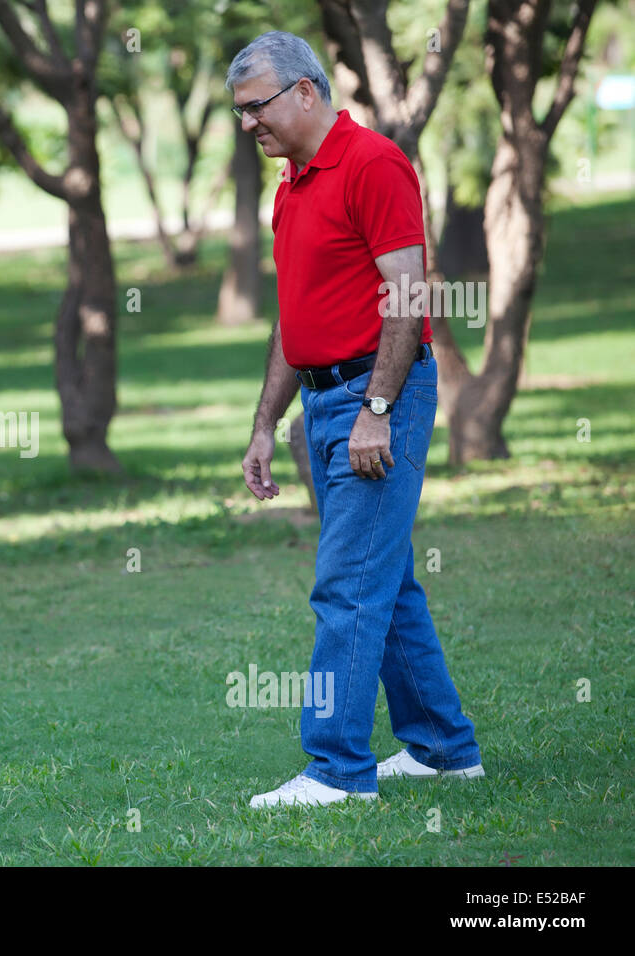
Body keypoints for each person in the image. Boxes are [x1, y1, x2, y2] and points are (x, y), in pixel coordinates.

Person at [228, 32, 484, 808]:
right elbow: (293, 316)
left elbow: (408, 293)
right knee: (387, 583)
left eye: (257, 107)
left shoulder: (372, 163)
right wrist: (265, 423)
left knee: (346, 587)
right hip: (321, 402)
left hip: (380, 399)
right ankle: (444, 750)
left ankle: (337, 770)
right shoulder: (292, 185)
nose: (249, 126)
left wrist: (377, 409)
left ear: (307, 91)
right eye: (239, 112)